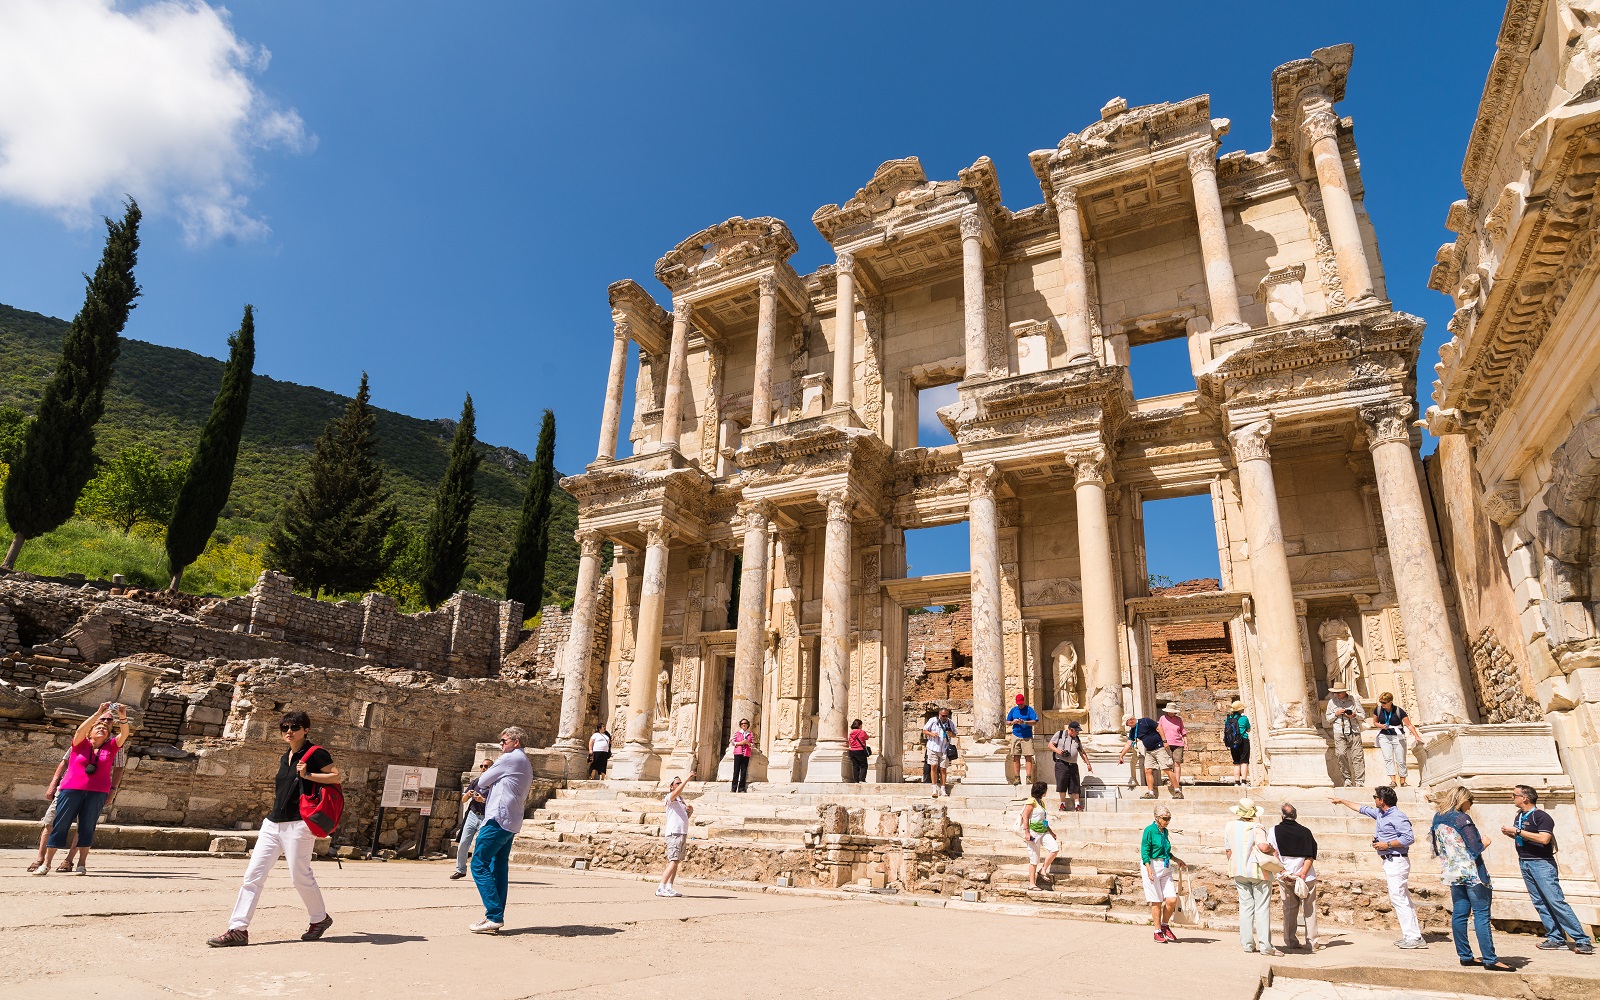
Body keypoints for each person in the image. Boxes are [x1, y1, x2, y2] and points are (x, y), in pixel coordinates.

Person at [207, 710, 338, 947]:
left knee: (299, 876)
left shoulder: (316, 753)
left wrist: (308, 774)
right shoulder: (285, 756)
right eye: (284, 727)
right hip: (272, 823)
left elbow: (337, 777)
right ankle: (238, 929)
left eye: (295, 727)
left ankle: (319, 918)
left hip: (299, 823)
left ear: (306, 729)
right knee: (253, 876)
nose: (289, 731)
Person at [37, 702, 129, 878]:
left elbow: (124, 734)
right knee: (60, 825)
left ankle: (81, 863)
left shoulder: (111, 747)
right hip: (71, 790)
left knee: (87, 827)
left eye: (105, 728)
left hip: (97, 793)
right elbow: (80, 730)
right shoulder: (80, 744)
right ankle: (46, 863)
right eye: (98, 728)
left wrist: (122, 716)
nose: (102, 729)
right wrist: (98, 713)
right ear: (90, 732)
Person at [1503, 784, 1593, 955]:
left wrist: (1519, 831)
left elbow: (1544, 839)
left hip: (1542, 863)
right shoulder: (1519, 816)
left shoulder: (1541, 816)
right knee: (1540, 902)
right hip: (1525, 862)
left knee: (1555, 901)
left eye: (1514, 795)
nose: (1512, 798)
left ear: (1525, 798)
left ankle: (1582, 940)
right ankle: (1555, 938)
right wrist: (1513, 833)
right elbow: (1526, 836)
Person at [1332, 786, 1426, 949]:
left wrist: (1386, 844)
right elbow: (1361, 808)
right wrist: (1342, 801)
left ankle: (1414, 937)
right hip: (1390, 861)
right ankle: (1411, 935)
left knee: (1399, 898)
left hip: (1397, 860)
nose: (1373, 799)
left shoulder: (1398, 816)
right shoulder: (1381, 814)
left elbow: (1409, 838)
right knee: (1402, 898)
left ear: (1382, 800)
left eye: (1375, 797)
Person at [1431, 785, 1511, 971]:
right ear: (1463, 799)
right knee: (1481, 914)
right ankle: (1490, 959)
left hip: (1452, 871)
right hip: (1472, 873)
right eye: (1470, 801)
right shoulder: (1461, 818)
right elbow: (1475, 847)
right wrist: (1485, 842)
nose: (1471, 804)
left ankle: (1465, 956)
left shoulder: (1438, 818)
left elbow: (1436, 847)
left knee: (1460, 914)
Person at [467, 725, 533, 934]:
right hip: (511, 820)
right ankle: (494, 916)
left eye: (504, 741)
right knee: (498, 866)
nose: (501, 744)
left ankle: (494, 914)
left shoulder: (509, 758)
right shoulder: (525, 761)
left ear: (516, 742)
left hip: (498, 817)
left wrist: (490, 781)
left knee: (479, 863)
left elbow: (483, 781)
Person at [1225, 798, 1283, 956]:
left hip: (1238, 871)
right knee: (1262, 908)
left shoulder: (1230, 826)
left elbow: (1228, 851)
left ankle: (1247, 944)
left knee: (1245, 908)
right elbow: (1263, 846)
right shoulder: (1257, 827)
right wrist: (1271, 848)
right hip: (1258, 872)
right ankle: (1265, 946)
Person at [1270, 803, 1321, 951]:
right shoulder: (1306, 832)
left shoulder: (1274, 830)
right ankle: (1312, 942)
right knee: (1309, 909)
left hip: (1286, 876)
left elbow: (1274, 852)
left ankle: (1291, 941)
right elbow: (1310, 855)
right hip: (1306, 877)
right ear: (1296, 816)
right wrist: (1303, 873)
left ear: (1282, 816)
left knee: (1289, 909)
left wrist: (1283, 871)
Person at [1140, 805, 1187, 944]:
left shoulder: (1164, 832)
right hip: (1152, 865)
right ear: (1157, 818)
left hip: (1165, 865)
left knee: (1172, 899)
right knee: (1157, 900)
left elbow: (1166, 851)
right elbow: (1145, 850)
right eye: (1165, 819)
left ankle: (1165, 925)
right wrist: (1148, 868)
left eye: (1169, 818)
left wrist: (1176, 859)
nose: (1167, 821)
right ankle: (1157, 930)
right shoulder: (1149, 830)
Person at [450, 758, 494, 881]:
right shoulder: (476, 782)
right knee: (463, 843)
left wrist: (483, 800)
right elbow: (463, 800)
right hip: (473, 815)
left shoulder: (495, 785)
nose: (483, 768)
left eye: (486, 766)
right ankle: (460, 870)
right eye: (481, 766)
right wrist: (468, 795)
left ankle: (482, 871)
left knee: (482, 845)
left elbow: (497, 803)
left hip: (486, 817)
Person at [1118, 715, 1179, 799]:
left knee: (1166, 769)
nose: (1127, 726)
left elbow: (1159, 727)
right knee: (1147, 770)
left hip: (1159, 748)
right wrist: (1121, 755)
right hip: (1149, 751)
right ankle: (1151, 793)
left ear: (1131, 720)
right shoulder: (1133, 731)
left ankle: (1177, 791)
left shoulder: (1146, 721)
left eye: (1127, 723)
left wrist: (1165, 741)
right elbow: (1129, 743)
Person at [1372, 693, 1422, 787]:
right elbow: (1375, 722)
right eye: (1381, 702)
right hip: (1384, 735)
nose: (1382, 704)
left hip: (1398, 736)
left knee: (1401, 759)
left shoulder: (1399, 711)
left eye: (1384, 702)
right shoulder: (1378, 710)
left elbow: (1409, 724)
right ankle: (1393, 781)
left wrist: (1416, 736)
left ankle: (1403, 781)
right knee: (1388, 758)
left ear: (1390, 702)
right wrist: (1381, 726)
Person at [658, 770, 695, 897]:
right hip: (674, 833)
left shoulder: (680, 800)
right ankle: (661, 887)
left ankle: (669, 887)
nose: (679, 784)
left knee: (676, 861)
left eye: (680, 782)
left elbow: (685, 817)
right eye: (677, 783)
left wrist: (690, 811)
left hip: (681, 832)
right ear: (671, 786)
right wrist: (687, 779)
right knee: (673, 860)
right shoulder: (670, 797)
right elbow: (677, 792)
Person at [1019, 780, 1059, 889]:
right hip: (1033, 832)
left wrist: (1051, 832)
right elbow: (1025, 816)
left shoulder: (1041, 802)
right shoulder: (1031, 801)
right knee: (1034, 858)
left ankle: (1043, 869)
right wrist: (1026, 831)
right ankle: (1032, 884)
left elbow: (1043, 819)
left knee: (1054, 849)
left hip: (1043, 831)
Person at [1325, 684, 1365, 786]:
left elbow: (1363, 715)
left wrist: (1354, 715)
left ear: (1345, 692)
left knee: (1357, 756)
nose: (1337, 694)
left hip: (1353, 730)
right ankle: (1347, 779)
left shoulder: (1353, 700)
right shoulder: (1331, 702)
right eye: (1335, 692)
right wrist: (1336, 713)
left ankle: (1359, 781)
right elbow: (1328, 718)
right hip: (1339, 731)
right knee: (1340, 754)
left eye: (1339, 692)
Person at [1048, 720, 1091, 812]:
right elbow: (1050, 745)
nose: (1077, 733)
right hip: (1061, 763)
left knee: (1075, 785)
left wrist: (1088, 763)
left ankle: (1077, 805)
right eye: (1076, 731)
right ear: (1071, 730)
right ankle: (1062, 804)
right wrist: (1058, 751)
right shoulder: (1059, 734)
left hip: (1073, 765)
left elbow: (1082, 752)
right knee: (1062, 784)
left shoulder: (1077, 739)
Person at [1006, 694, 1039, 786]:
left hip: (1027, 736)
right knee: (1016, 756)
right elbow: (1007, 721)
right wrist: (1013, 722)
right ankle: (1017, 778)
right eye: (1018, 704)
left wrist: (1024, 722)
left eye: (1021, 703)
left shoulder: (1029, 710)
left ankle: (1028, 777)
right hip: (1016, 735)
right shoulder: (1013, 710)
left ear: (1024, 701)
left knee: (1028, 756)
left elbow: (1035, 722)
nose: (1020, 705)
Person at [923, 709, 955, 798]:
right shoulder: (933, 720)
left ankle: (943, 789)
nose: (945, 717)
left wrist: (950, 733)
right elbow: (924, 730)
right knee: (933, 766)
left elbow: (954, 734)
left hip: (944, 748)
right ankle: (934, 789)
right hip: (933, 747)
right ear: (939, 714)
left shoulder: (950, 723)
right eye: (943, 715)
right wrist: (932, 734)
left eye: (946, 716)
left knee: (943, 768)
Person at [1158, 703, 1188, 786]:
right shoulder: (1162, 718)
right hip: (1166, 743)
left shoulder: (1179, 719)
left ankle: (1176, 783)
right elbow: (1159, 729)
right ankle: (1172, 781)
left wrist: (1186, 743)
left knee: (1177, 763)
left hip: (1178, 743)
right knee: (1168, 764)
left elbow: (1183, 732)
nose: (1171, 713)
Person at [1224, 700, 1251, 786]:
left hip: (1233, 742)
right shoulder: (1244, 719)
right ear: (1240, 710)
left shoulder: (1228, 719)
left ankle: (1236, 782)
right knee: (1244, 761)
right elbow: (1249, 729)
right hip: (1243, 740)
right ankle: (1243, 781)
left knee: (1236, 762)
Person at [729, 719, 754, 792]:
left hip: (746, 754)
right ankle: (733, 788)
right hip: (738, 753)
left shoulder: (750, 734)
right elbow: (733, 742)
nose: (744, 724)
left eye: (745, 723)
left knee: (743, 771)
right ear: (740, 725)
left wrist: (748, 743)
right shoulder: (737, 733)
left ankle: (741, 789)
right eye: (742, 723)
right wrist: (742, 742)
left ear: (747, 725)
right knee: (736, 771)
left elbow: (753, 745)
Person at [847, 719, 871, 783]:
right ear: (859, 725)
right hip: (860, 750)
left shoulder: (851, 733)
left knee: (855, 766)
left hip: (852, 751)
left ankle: (856, 780)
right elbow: (867, 737)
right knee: (864, 765)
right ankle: (862, 779)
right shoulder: (862, 732)